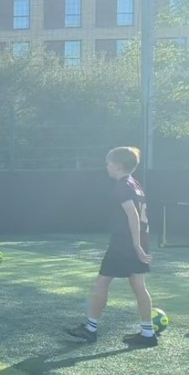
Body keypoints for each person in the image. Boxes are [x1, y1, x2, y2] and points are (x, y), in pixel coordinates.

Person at [67, 145, 159, 348]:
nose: (106, 167)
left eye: (108, 163)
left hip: (124, 244)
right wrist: (140, 243)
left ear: (117, 166)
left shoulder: (122, 186)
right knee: (139, 286)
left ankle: (90, 329)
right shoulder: (136, 184)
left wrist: (135, 245)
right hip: (139, 240)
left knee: (100, 284)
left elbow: (133, 215)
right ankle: (147, 333)